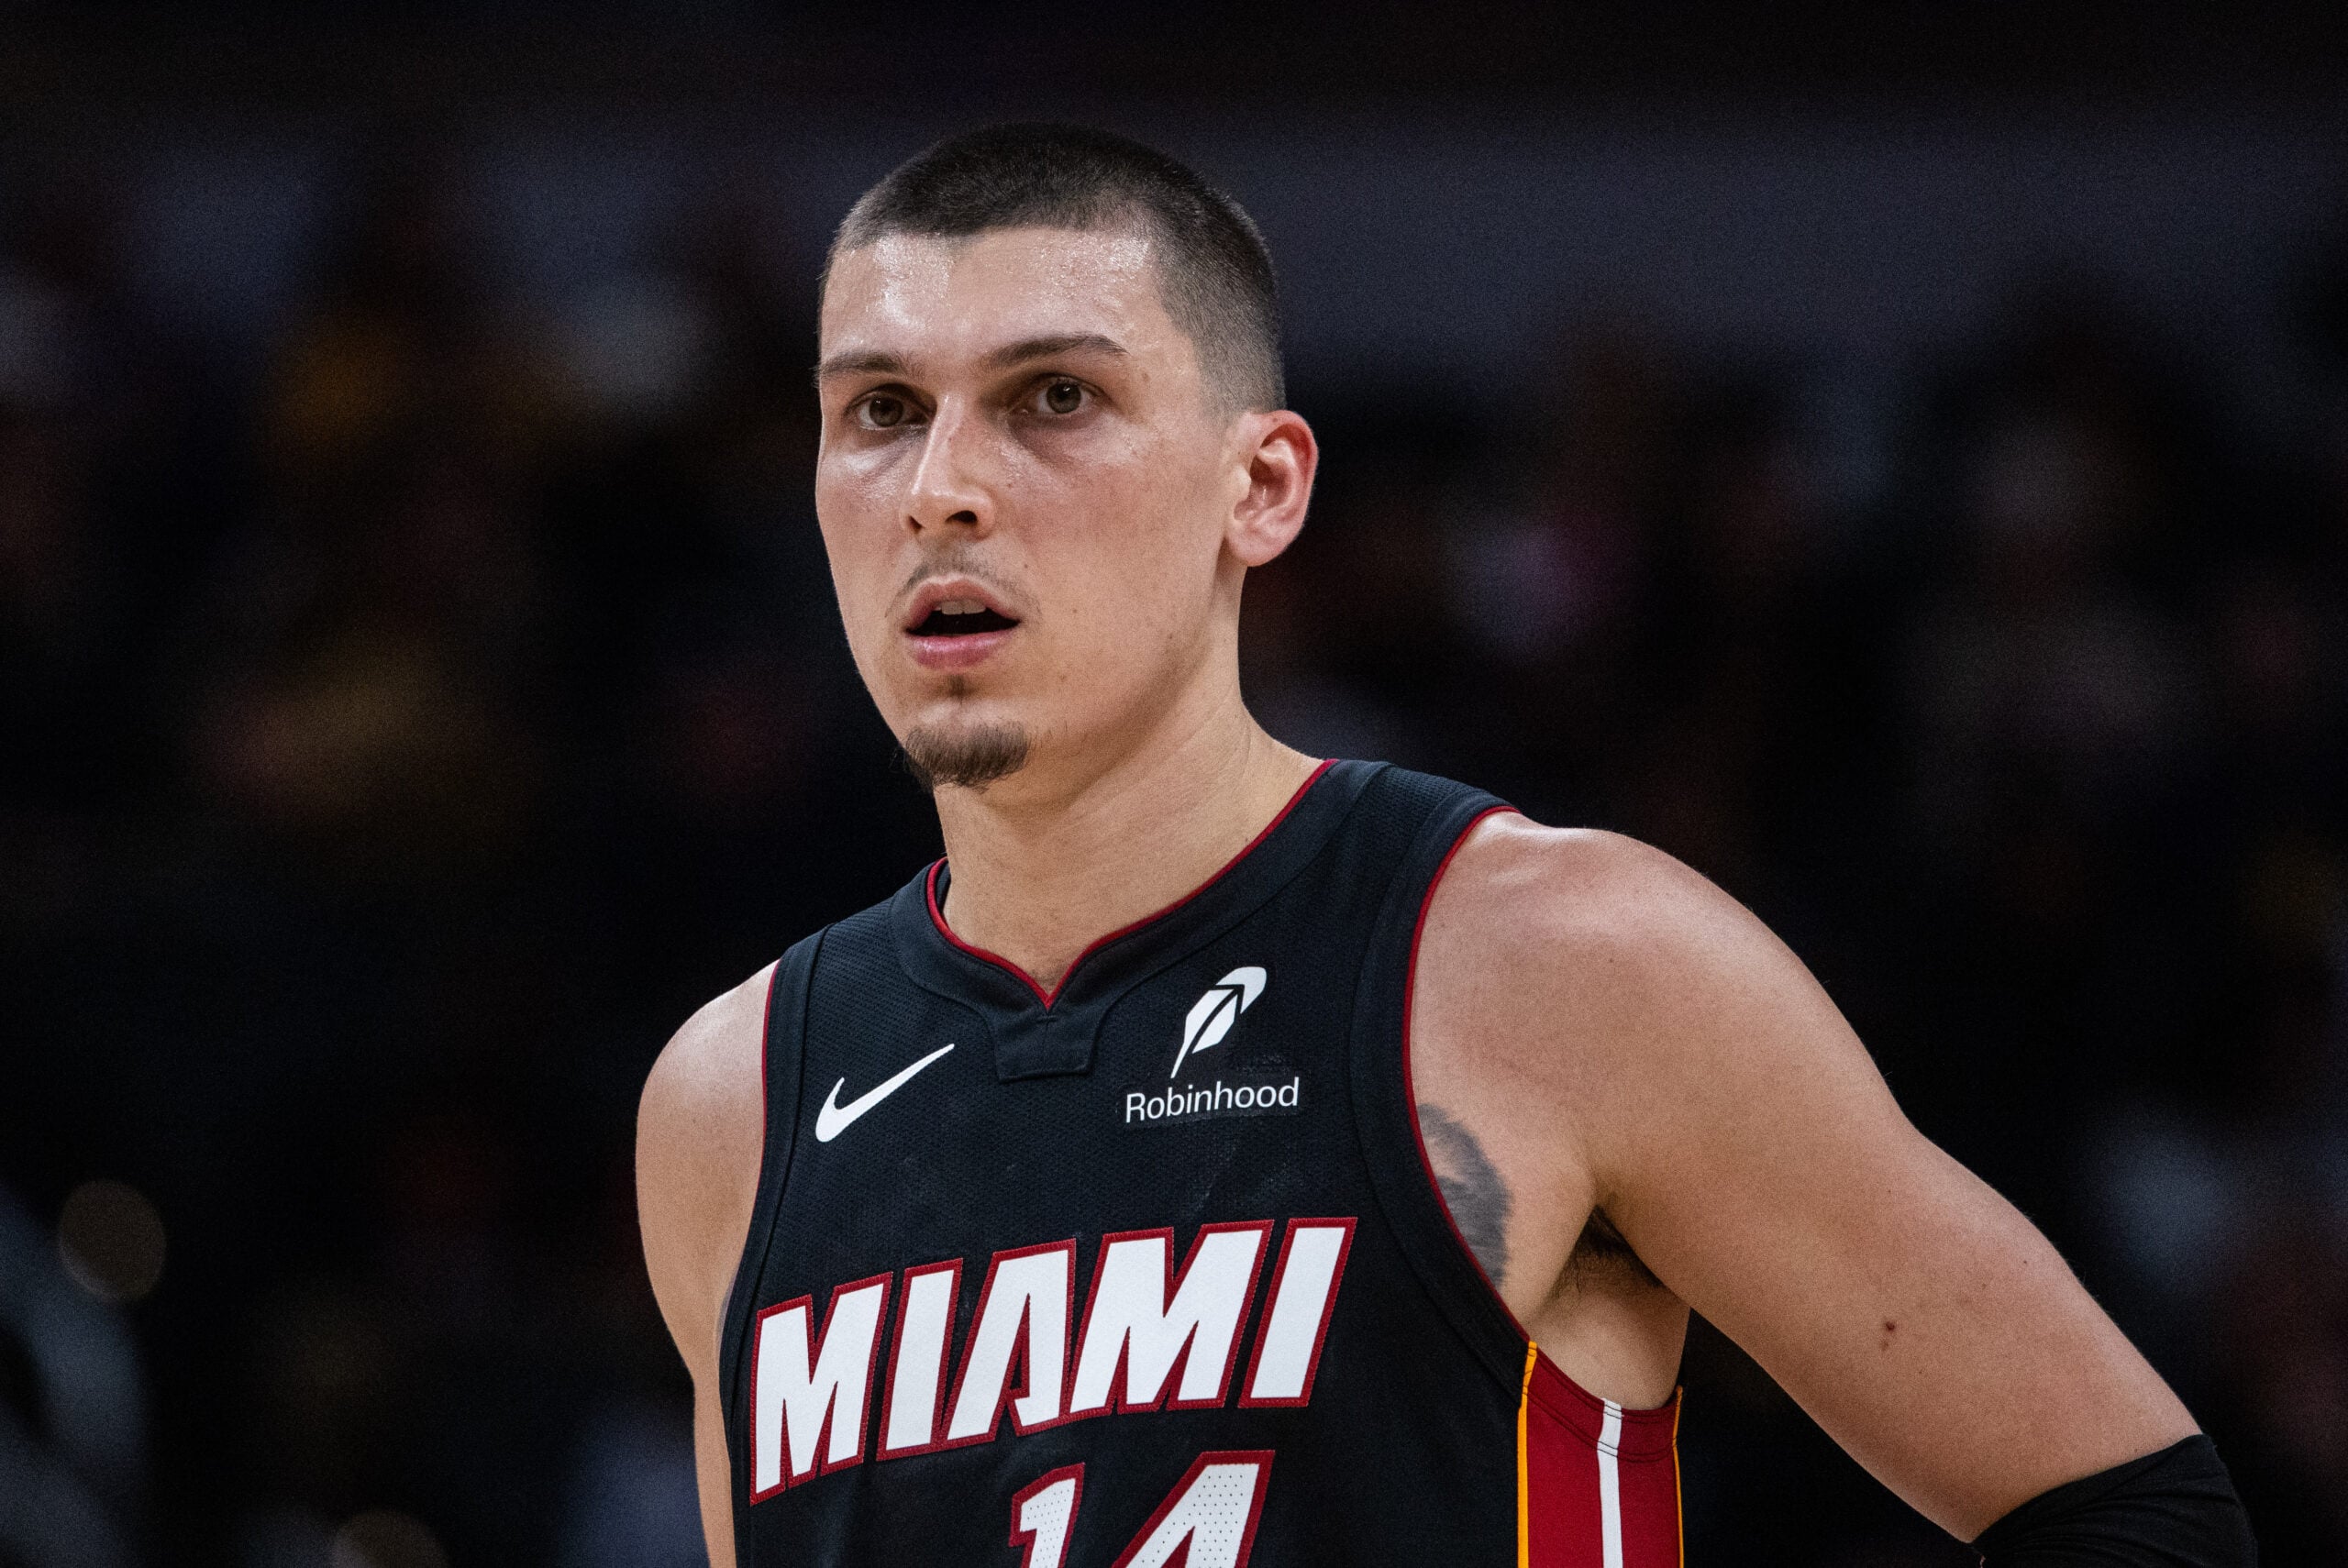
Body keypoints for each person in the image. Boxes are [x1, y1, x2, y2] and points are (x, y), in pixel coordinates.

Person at [636, 124, 2254, 1567]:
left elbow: (2132, 1512)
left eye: (1054, 398)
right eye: (881, 411)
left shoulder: (1563, 961)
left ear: (1259, 485)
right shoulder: (731, 1103)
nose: (943, 489)